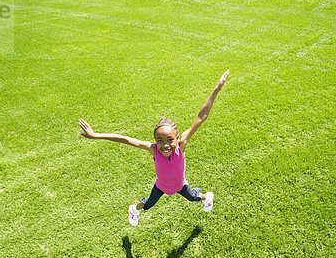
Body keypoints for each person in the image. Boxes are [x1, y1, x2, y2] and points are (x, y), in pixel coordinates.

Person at [78, 69, 229, 226]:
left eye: (170, 139)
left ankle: (207, 197)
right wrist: (96, 135)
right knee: (148, 205)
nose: (165, 145)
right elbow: (125, 139)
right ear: (155, 140)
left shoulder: (181, 145)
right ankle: (134, 209)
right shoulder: (153, 149)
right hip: (161, 186)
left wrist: (217, 88)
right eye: (160, 140)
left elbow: (201, 117)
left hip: (180, 185)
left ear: (177, 139)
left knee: (193, 197)